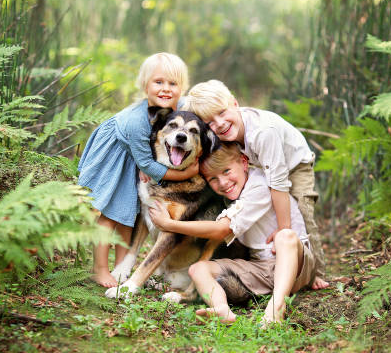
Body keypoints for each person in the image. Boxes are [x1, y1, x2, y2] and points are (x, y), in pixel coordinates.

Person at [182, 80, 329, 290]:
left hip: (294, 163)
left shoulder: (262, 132)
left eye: (222, 112)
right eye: (210, 122)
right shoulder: (224, 135)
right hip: (258, 160)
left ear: (234, 103)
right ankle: (259, 259)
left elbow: (278, 183)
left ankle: (315, 272)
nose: (220, 123)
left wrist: (283, 229)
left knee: (303, 211)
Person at [149, 142, 315, 324]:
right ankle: (221, 309)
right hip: (261, 267)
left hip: (295, 263)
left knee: (285, 236)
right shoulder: (231, 193)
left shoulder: (259, 186)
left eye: (226, 171)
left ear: (244, 162)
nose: (223, 183)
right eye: (212, 179)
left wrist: (169, 224)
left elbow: (221, 230)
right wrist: (147, 169)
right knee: (198, 269)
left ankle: (276, 307)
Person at [78, 52, 199, 288]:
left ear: (182, 87)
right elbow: (147, 165)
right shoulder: (136, 121)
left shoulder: (181, 107)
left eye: (173, 84)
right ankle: (99, 269)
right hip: (118, 156)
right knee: (111, 214)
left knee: (130, 214)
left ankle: (122, 268)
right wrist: (185, 174)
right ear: (145, 85)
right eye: (158, 82)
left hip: (141, 154)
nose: (166, 89)